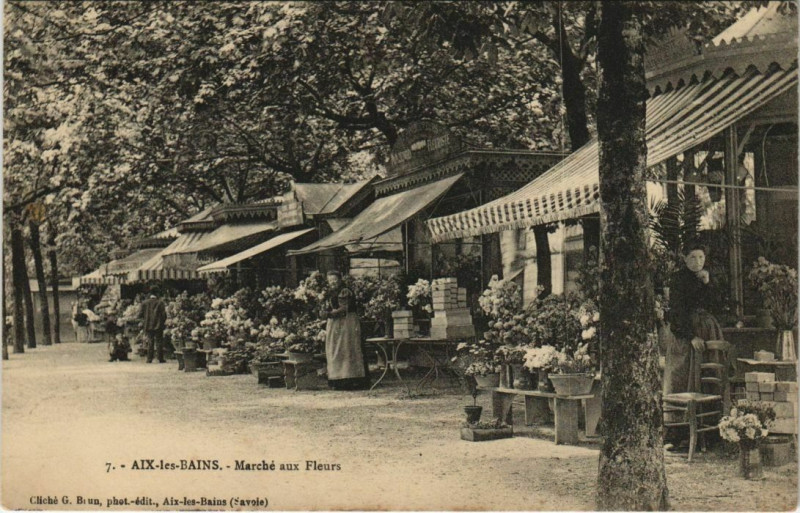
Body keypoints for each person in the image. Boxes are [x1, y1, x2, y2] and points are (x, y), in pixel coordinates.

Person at [664, 242, 725, 395]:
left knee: (710, 370)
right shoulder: (678, 279)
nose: (697, 261)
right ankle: (686, 415)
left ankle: (710, 415)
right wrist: (691, 336)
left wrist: (707, 284)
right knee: (685, 373)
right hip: (686, 332)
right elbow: (677, 311)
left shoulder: (707, 277)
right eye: (693, 257)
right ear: (685, 259)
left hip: (708, 330)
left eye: (701, 257)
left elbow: (717, 307)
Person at [321, 271, 369, 390]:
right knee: (335, 350)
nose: (333, 283)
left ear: (340, 280)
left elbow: (344, 308)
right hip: (335, 324)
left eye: (335, 280)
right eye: (330, 281)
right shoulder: (331, 292)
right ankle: (338, 379)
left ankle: (351, 380)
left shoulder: (345, 291)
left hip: (347, 323)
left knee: (347, 348)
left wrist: (329, 314)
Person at [140, 294, 167, 363]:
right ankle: (160, 358)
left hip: (148, 325)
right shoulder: (160, 303)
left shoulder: (145, 303)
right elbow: (164, 315)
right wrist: (162, 322)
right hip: (158, 325)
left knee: (150, 341)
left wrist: (145, 320)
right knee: (159, 341)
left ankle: (149, 359)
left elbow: (140, 314)